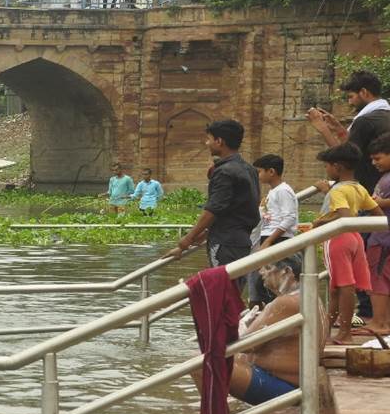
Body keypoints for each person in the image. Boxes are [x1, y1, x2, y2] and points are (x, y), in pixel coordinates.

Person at [194, 256, 324, 405]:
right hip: (292, 382)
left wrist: (241, 327)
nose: (261, 272)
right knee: (215, 355)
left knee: (200, 364)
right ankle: (222, 411)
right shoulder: (306, 297)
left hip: (285, 388)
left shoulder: (287, 302)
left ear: (286, 272)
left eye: (267, 267)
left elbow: (247, 345)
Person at [310, 142, 385, 344]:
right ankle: (327, 331)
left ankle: (344, 332)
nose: (326, 170)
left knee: (343, 287)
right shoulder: (359, 188)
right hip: (355, 240)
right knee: (339, 288)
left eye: (327, 166)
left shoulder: (337, 191)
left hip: (338, 240)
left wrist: (319, 222)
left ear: (337, 167)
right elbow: (378, 214)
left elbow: (344, 218)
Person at [165, 120, 260, 274]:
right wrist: (207, 233)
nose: (206, 143)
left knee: (222, 290)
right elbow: (241, 208)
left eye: (209, 139)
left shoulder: (224, 171)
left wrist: (186, 241)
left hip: (225, 244)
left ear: (219, 141)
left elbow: (213, 209)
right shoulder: (249, 169)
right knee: (232, 290)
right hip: (242, 241)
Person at [306, 70, 390, 194]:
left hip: (368, 192)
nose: (350, 102)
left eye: (351, 97)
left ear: (364, 92)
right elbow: (356, 147)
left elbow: (345, 158)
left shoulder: (365, 121)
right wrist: (339, 130)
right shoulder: (384, 115)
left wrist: (323, 128)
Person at [247, 154, 298, 306]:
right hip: (268, 238)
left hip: (277, 239)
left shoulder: (283, 191)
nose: (258, 175)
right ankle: (261, 310)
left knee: (276, 281)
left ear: (271, 172)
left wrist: (269, 241)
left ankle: (277, 314)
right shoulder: (273, 192)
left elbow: (289, 218)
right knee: (262, 280)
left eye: (260, 171)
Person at [364, 133, 390, 337]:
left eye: (378, 158)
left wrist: (377, 203)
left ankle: (380, 322)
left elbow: (379, 203)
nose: (374, 163)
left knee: (378, 279)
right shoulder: (385, 177)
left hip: (383, 240)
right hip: (380, 238)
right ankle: (383, 319)